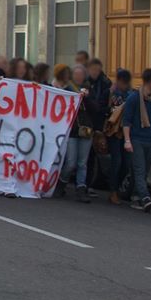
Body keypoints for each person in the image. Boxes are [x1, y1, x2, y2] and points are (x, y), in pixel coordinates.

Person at [55, 65, 95, 203]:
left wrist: (86, 98)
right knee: (71, 162)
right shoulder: (68, 90)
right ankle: (61, 183)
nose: (78, 77)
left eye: (81, 74)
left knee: (82, 162)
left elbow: (96, 109)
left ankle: (81, 188)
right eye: (76, 74)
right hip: (72, 131)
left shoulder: (90, 90)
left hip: (86, 131)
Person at [122, 67, 151, 212]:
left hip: (150, 140)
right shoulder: (134, 98)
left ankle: (136, 197)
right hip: (136, 139)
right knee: (139, 169)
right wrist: (127, 140)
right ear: (149, 82)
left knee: (143, 171)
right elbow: (126, 121)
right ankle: (146, 198)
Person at [105, 69, 132, 205]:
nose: (124, 85)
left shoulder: (131, 94)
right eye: (123, 82)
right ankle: (113, 191)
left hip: (127, 132)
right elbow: (107, 110)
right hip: (114, 132)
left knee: (126, 164)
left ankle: (116, 187)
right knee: (117, 161)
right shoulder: (111, 93)